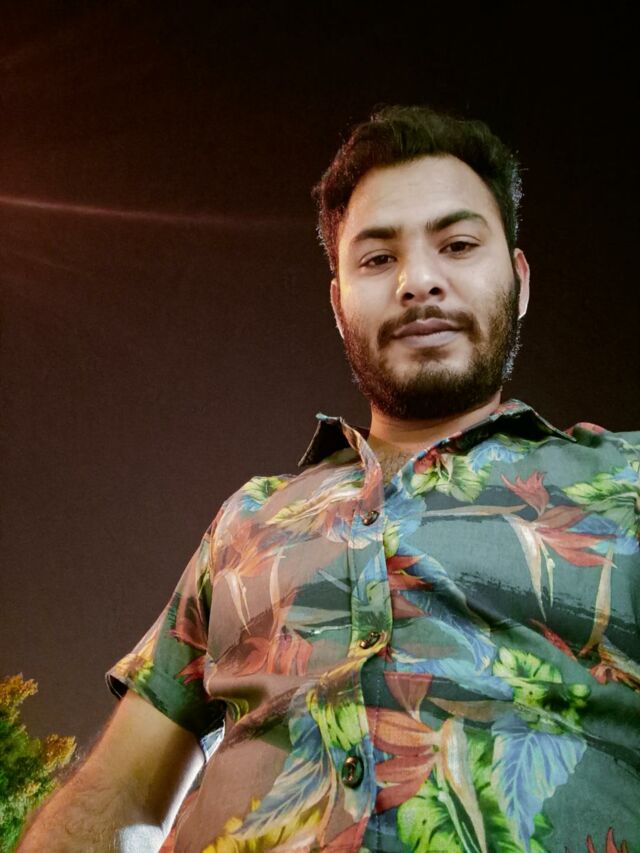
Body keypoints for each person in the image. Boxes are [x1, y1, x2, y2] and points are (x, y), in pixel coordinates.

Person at [19, 106, 639, 853]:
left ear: (519, 279)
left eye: (457, 244)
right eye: (377, 259)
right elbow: (117, 791)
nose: (419, 281)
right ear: (339, 303)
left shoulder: (626, 479)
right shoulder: (246, 519)